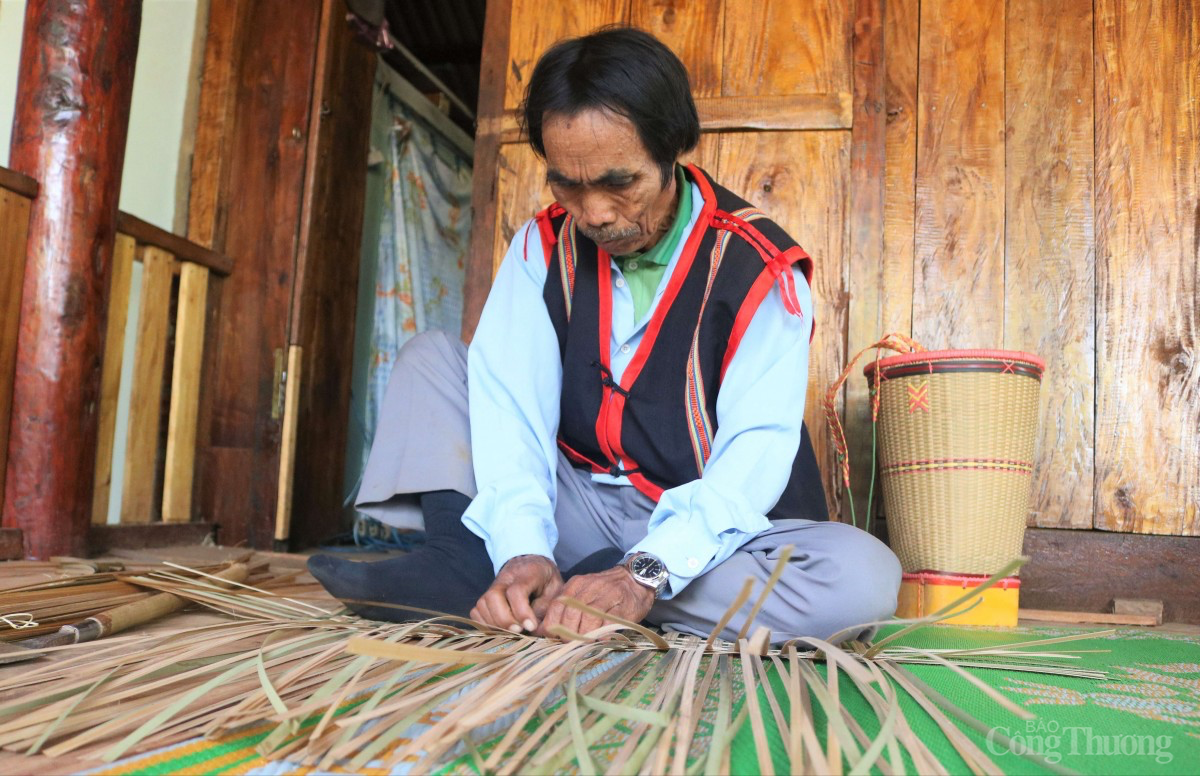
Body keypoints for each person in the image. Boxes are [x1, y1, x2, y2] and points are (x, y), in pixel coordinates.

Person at [308, 26, 901, 644]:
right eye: (567, 184)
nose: (593, 213)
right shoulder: (542, 246)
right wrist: (522, 548)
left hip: (708, 539)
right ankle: (486, 568)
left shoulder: (760, 268)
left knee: (860, 582)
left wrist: (643, 573)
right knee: (431, 360)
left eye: (620, 183)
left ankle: (573, 592)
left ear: (671, 150)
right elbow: (511, 413)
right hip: (576, 511)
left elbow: (752, 460)